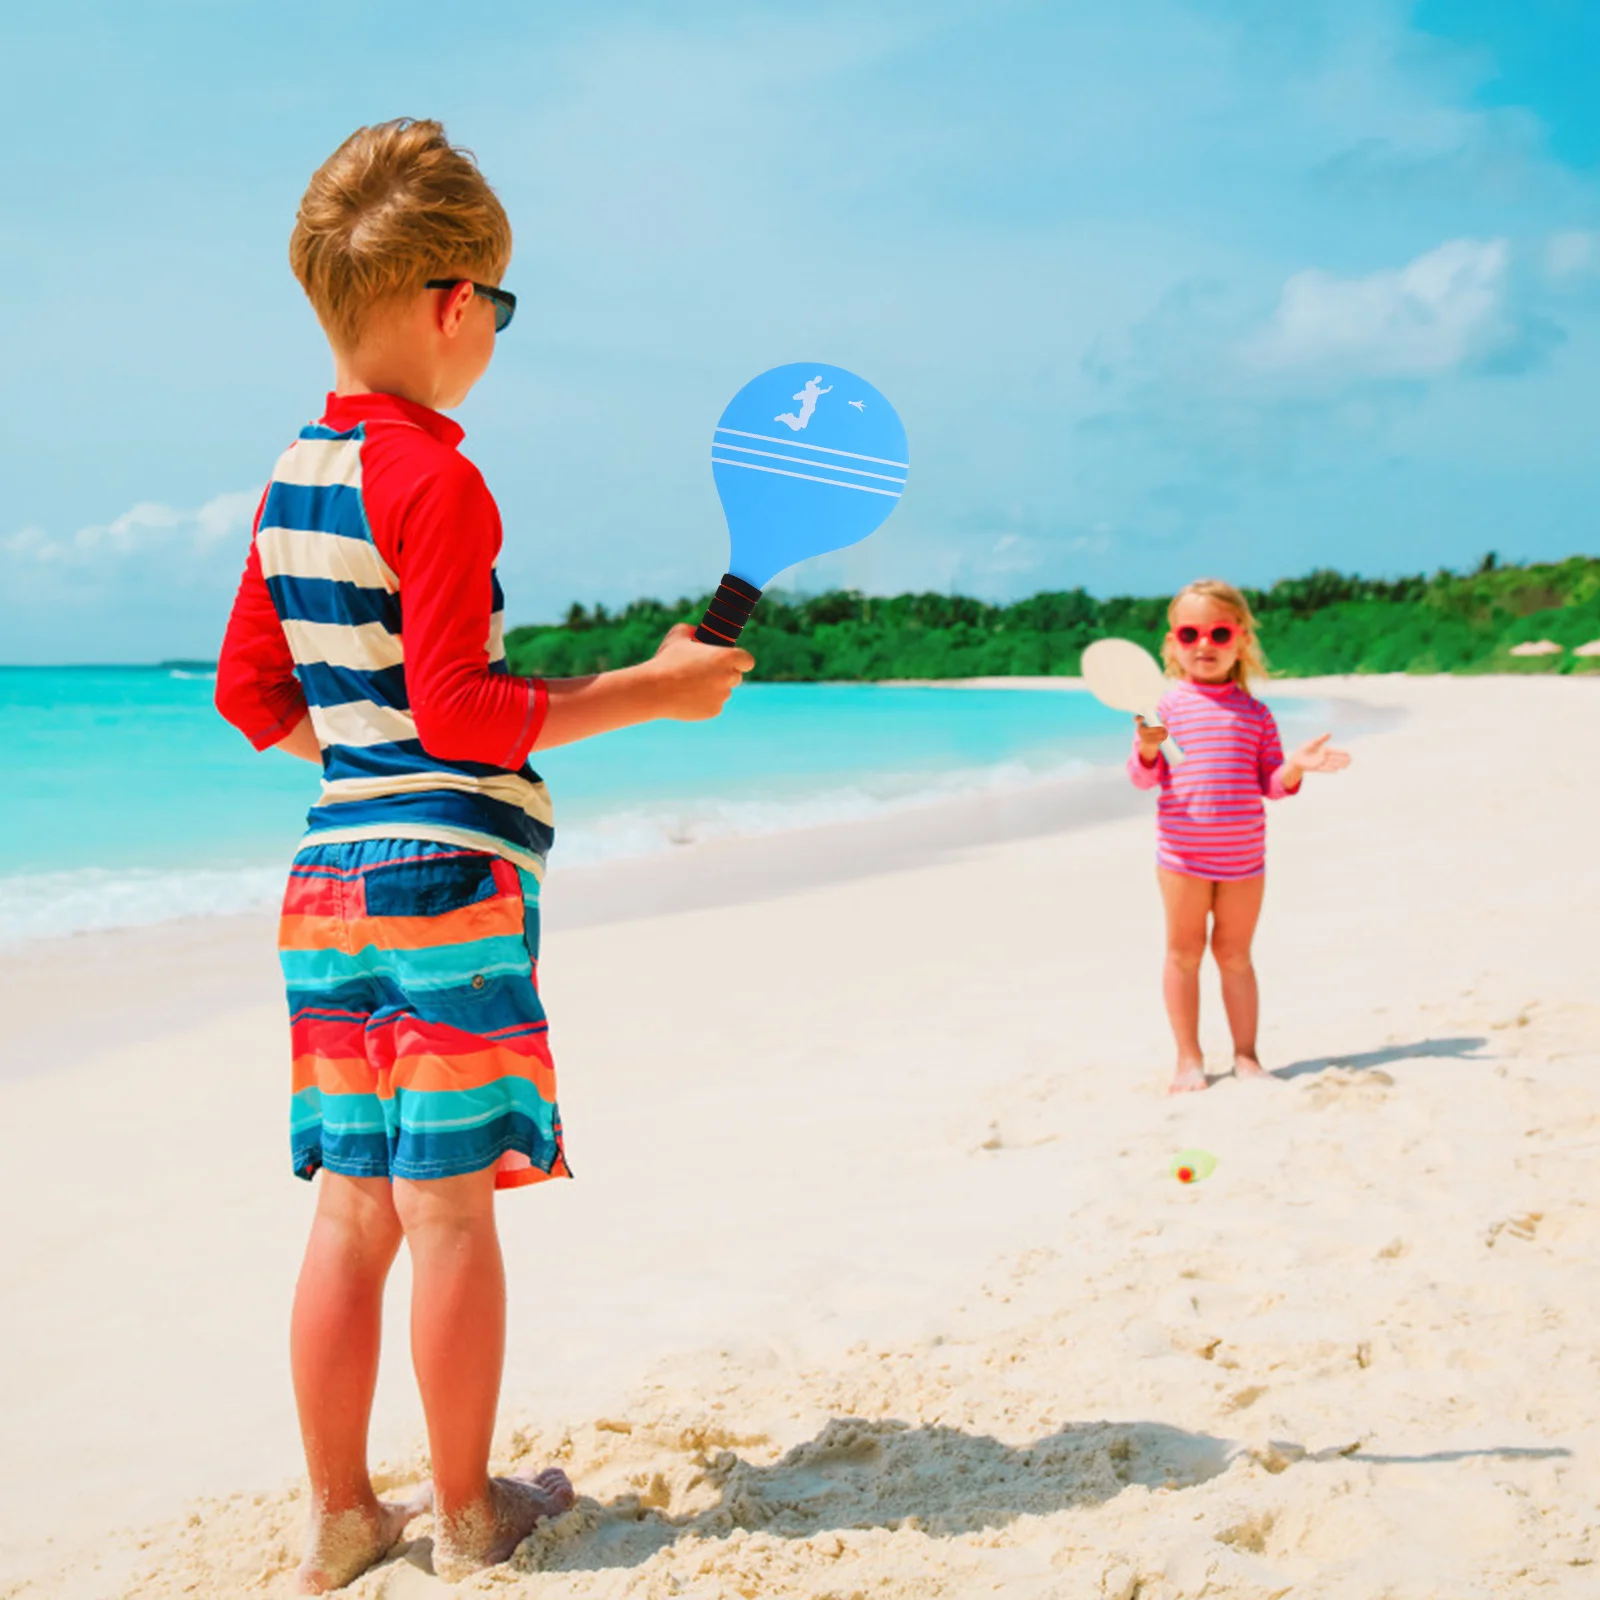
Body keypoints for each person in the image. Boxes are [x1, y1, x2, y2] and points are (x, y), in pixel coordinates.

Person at [214, 119, 752, 1592]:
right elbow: (459, 709)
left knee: (353, 1207)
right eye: (498, 311)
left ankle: (340, 1511)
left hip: (326, 885)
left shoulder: (289, 482)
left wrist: (368, 770)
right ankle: (466, 1514)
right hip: (449, 882)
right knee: (449, 1215)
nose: (494, 337)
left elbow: (250, 694)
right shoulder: (437, 480)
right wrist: (655, 688)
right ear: (457, 303)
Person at [1127, 579, 1349, 1095]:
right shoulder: (1165, 711)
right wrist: (1146, 747)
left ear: (1241, 641)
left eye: (1219, 633)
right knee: (1183, 955)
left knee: (1235, 957)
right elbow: (1143, 778)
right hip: (1181, 857)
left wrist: (1294, 766)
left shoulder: (1256, 715)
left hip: (1244, 859)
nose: (1204, 645)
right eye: (1190, 634)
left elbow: (1270, 784)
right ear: (1171, 644)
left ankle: (1247, 1057)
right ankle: (1188, 1060)